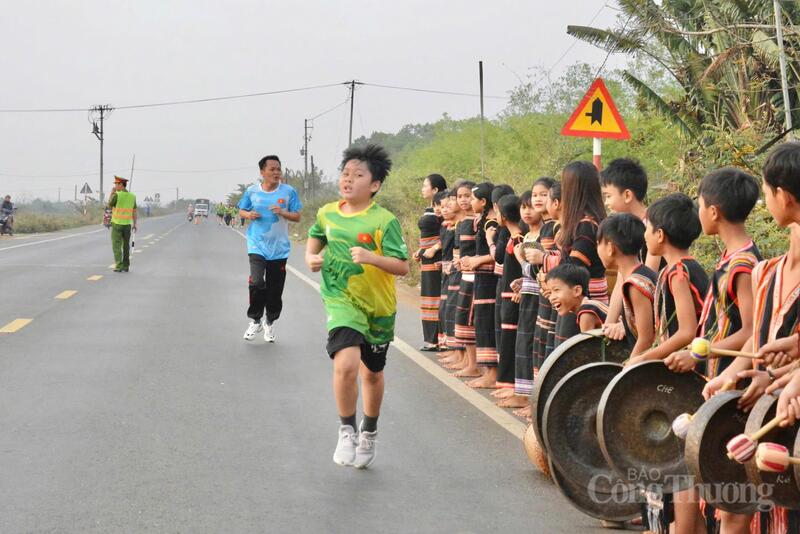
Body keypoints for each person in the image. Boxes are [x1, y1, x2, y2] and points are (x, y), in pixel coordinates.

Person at [305, 144, 409, 469]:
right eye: (345, 174)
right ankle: (346, 429)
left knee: (373, 374)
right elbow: (315, 234)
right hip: (340, 299)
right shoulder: (327, 213)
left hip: (378, 307)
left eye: (358, 175)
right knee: (345, 365)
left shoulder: (384, 221)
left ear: (374, 185)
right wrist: (311, 256)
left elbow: (402, 266)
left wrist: (371, 258)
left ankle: (369, 430)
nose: (348, 180)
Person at [628, 193, 709, 534]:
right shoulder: (685, 268)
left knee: (682, 461)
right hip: (687, 371)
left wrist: (644, 357)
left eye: (647, 229)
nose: (645, 236)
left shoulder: (678, 272)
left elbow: (688, 331)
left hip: (689, 374)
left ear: (660, 235)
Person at [239, 155, 302, 343]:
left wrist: (283, 212)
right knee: (257, 281)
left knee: (275, 290)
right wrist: (249, 214)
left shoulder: (288, 192)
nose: (276, 173)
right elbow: (241, 210)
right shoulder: (252, 192)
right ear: (262, 172)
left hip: (279, 249)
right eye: (272, 169)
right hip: (257, 244)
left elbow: (297, 216)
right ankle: (255, 319)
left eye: (278, 169)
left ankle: (270, 321)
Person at [596, 214, 657, 356]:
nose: (597, 249)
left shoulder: (635, 284)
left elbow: (646, 339)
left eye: (599, 243)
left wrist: (628, 369)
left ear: (610, 248)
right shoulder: (638, 275)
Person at [511, 190, 543, 418]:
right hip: (528, 293)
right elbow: (530, 272)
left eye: (530, 206)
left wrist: (521, 260)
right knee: (524, 343)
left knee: (534, 345)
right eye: (523, 207)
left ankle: (535, 399)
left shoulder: (544, 236)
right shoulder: (526, 237)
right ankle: (526, 395)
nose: (527, 211)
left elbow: (540, 269)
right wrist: (521, 282)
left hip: (541, 295)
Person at [414, 173, 447, 351]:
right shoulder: (431, 208)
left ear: (435, 189)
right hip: (427, 259)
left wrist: (434, 248)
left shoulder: (443, 208)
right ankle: (431, 338)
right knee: (428, 296)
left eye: (425, 185)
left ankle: (437, 338)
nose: (422, 189)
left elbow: (448, 231)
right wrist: (421, 251)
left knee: (435, 297)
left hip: (436, 259)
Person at [108, 176, 137, 272]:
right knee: (126, 246)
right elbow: (134, 211)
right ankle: (126, 266)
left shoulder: (116, 195)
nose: (115, 186)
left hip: (117, 224)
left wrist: (112, 192)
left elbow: (109, 204)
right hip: (127, 225)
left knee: (116, 245)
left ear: (121, 184)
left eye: (116, 184)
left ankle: (119, 266)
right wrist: (135, 224)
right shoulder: (132, 196)